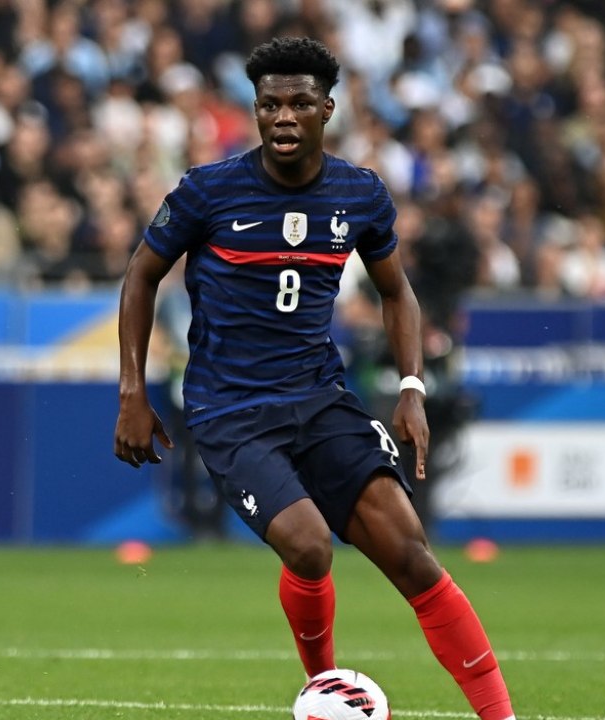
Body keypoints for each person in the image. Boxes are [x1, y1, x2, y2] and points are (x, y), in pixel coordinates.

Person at [113, 38, 516, 720]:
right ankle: (323, 684)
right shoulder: (207, 191)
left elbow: (398, 293)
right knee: (308, 546)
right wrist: (131, 391)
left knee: (412, 554)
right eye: (269, 104)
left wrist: (412, 388)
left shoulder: (360, 195)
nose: (283, 117)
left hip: (321, 399)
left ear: (327, 109)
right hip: (232, 410)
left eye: (299, 103)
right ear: (256, 111)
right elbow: (140, 276)